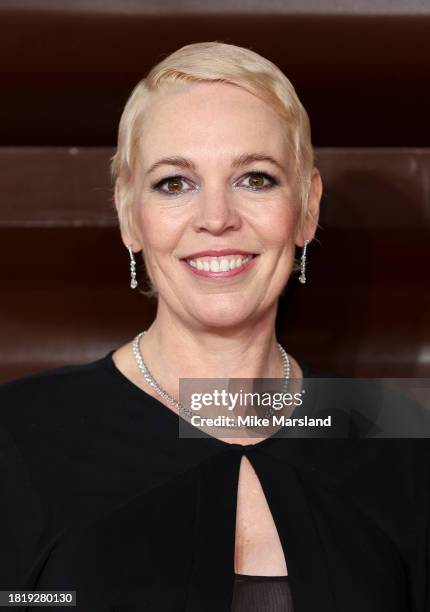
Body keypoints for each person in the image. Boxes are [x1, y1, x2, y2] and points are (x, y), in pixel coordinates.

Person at [0, 41, 429, 612]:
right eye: (175, 183)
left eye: (255, 178)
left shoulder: (399, 444)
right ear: (130, 215)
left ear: (307, 208)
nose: (216, 219)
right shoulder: (18, 438)